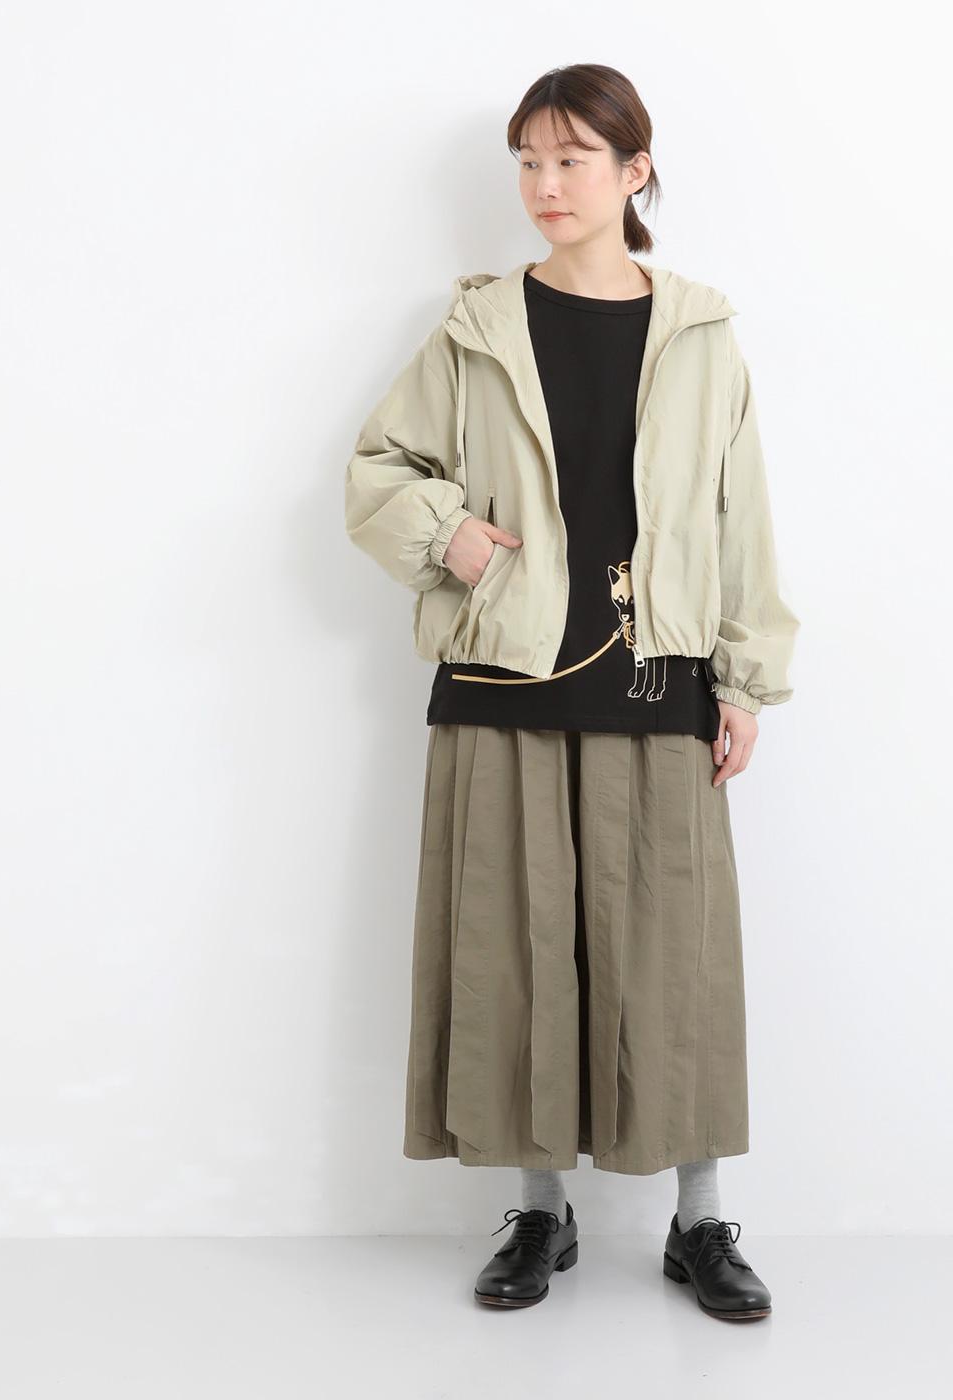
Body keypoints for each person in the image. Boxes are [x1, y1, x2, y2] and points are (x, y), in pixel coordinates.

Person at [344, 63, 798, 1321]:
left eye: (573, 159)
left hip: (661, 673)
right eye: (529, 161)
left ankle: (700, 1221)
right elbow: (378, 466)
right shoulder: (477, 325)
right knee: (518, 949)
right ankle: (540, 1209)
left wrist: (747, 678)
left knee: (675, 955)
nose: (546, 184)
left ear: (634, 171)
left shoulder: (700, 332)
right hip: (503, 675)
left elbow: (741, 516)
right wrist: (447, 532)